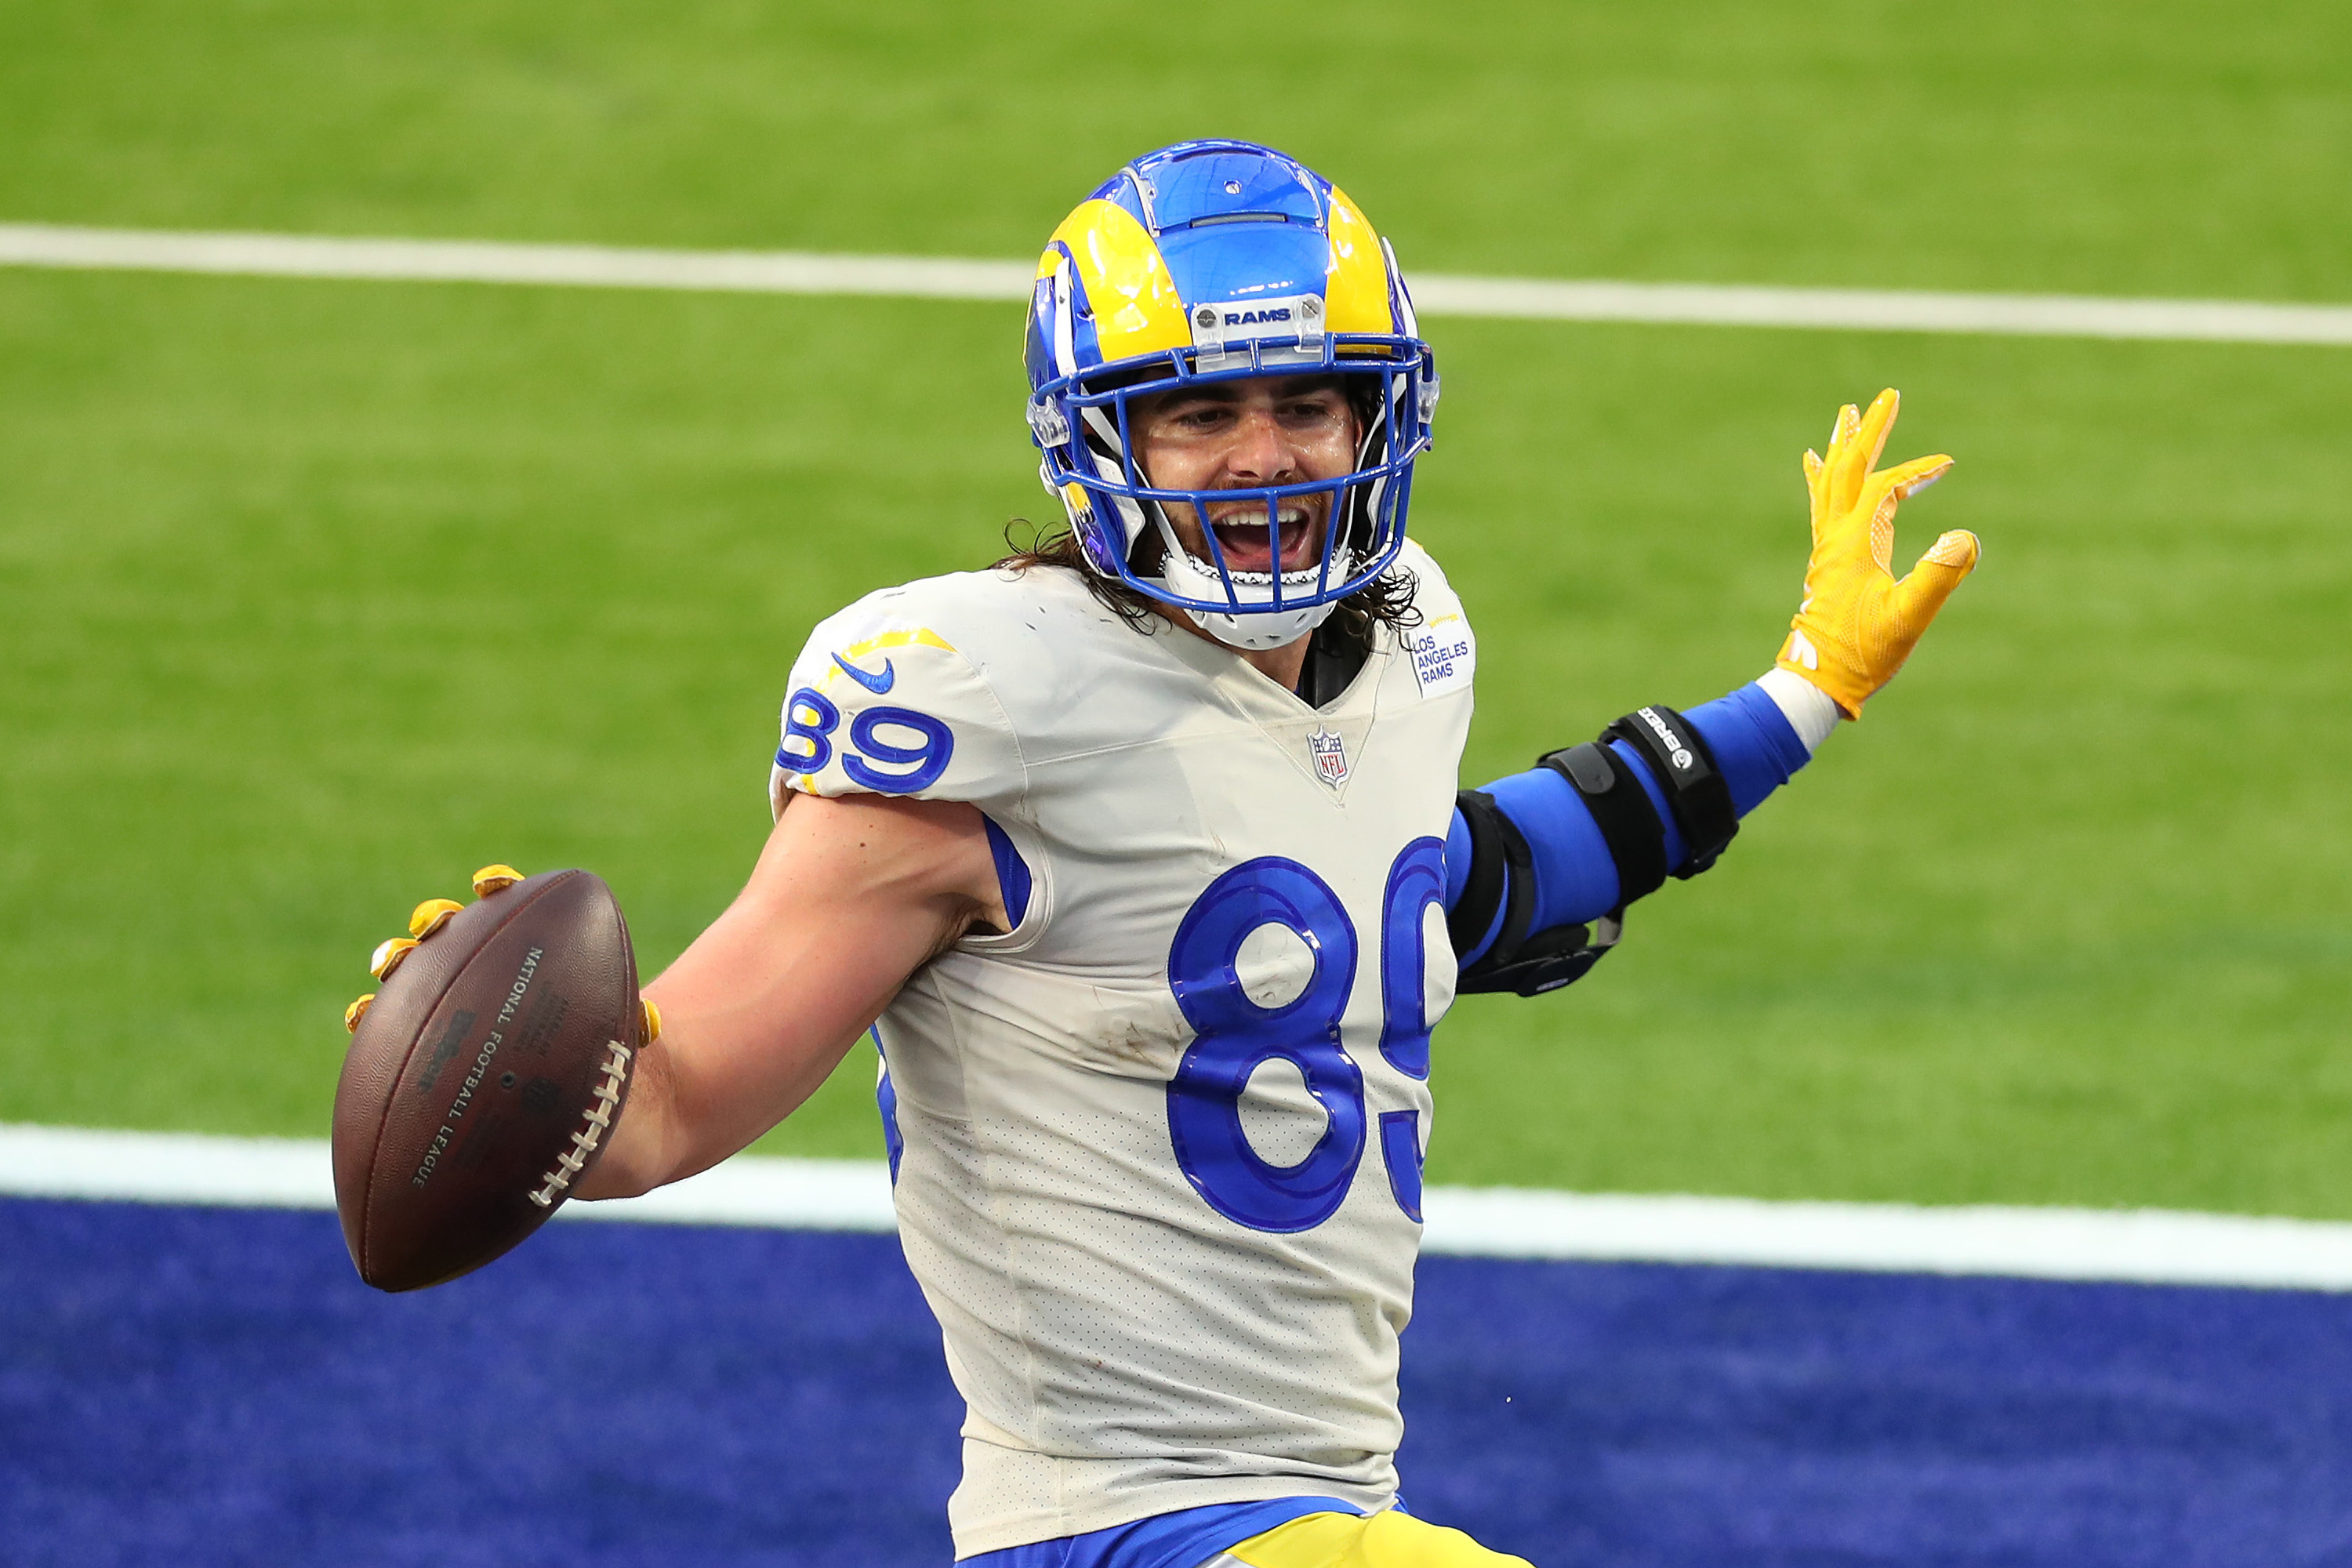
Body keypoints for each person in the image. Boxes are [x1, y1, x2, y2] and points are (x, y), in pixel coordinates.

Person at [571, 139, 1980, 1566]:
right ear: (1096, 443)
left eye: (1310, 400)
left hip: (1317, 1512)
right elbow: (664, 1106)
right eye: (1199, 411)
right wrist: (500, 1054)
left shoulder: (1400, 656)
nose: (1265, 455)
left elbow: (1473, 886)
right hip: (1116, 1523)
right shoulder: (978, 698)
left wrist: (1808, 687)